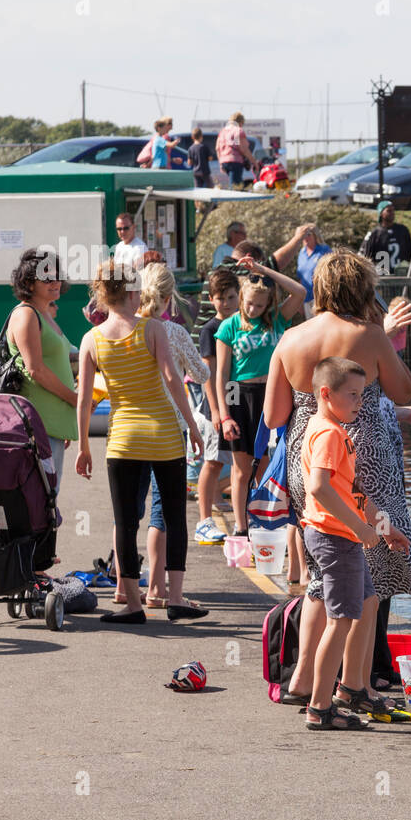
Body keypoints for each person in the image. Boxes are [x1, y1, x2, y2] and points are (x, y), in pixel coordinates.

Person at [263, 251, 411, 709]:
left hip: (307, 460)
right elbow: (404, 390)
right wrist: (383, 340)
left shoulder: (291, 338)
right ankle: (355, 685)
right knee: (368, 580)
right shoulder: (368, 335)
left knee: (325, 575)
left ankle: (302, 678)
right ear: (362, 290)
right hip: (363, 464)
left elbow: (274, 415)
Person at [74, 260, 206, 624]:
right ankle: (175, 597)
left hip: (123, 440)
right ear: (134, 292)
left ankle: (132, 605)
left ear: (102, 297)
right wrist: (193, 427)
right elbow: (173, 380)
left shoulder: (92, 340)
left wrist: (83, 445)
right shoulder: (153, 329)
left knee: (125, 521)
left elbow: (84, 398)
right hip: (163, 434)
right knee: (175, 516)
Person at [298, 357, 411, 730]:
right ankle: (320, 706)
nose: (359, 403)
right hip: (334, 537)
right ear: (326, 394)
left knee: (368, 601)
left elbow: (353, 492)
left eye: (362, 395)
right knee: (342, 619)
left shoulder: (326, 426)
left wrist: (383, 526)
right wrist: (360, 531)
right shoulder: (330, 434)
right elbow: (319, 488)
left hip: (339, 533)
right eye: (353, 395)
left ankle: (351, 688)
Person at [215, 257, 307, 537]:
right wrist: (224, 415)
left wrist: (263, 271)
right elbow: (220, 374)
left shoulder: (276, 318)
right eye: (249, 303)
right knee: (242, 468)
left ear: (268, 304)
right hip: (240, 396)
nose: (253, 309)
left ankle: (268, 523)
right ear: (241, 298)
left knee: (268, 464)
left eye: (260, 305)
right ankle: (241, 526)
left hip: (272, 393)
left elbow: (300, 293)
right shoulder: (229, 327)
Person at [138, 264, 209, 607]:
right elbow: (202, 371)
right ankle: (161, 589)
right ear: (169, 298)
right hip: (170, 427)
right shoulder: (175, 333)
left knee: (138, 510)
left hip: (133, 427)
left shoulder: (130, 329)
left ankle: (145, 587)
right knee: (166, 510)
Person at [6, 247, 78, 499]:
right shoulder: (27, 315)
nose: (55, 281)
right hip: (39, 424)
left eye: (57, 275)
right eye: (46, 277)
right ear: (28, 282)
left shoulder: (44, 314)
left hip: (52, 425)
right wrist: (74, 400)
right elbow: (35, 369)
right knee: (41, 502)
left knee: (46, 500)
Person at [192, 268, 238, 545]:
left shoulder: (243, 324)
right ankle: (203, 520)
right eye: (221, 298)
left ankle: (243, 519)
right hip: (215, 408)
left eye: (231, 297)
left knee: (237, 464)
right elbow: (207, 374)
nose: (227, 302)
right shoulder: (211, 329)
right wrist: (217, 411)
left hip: (238, 404)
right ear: (212, 299)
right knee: (212, 461)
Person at [359, 201, 411, 275]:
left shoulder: (402, 230)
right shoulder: (374, 234)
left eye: (393, 210)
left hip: (401, 275)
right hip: (382, 277)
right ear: (381, 213)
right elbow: (365, 257)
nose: (392, 213)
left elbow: (410, 253)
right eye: (389, 211)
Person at [295, 226, 333, 311]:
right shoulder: (302, 253)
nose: (305, 237)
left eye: (308, 234)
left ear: (315, 235)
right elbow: (300, 277)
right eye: (303, 235)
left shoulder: (325, 250)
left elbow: (333, 275)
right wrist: (299, 301)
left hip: (321, 299)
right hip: (306, 300)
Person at [216, 112, 255, 187]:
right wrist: (254, 162)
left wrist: (221, 163)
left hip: (224, 162)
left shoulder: (223, 131)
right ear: (240, 122)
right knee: (236, 186)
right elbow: (243, 149)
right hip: (235, 161)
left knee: (235, 182)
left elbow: (217, 148)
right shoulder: (238, 130)